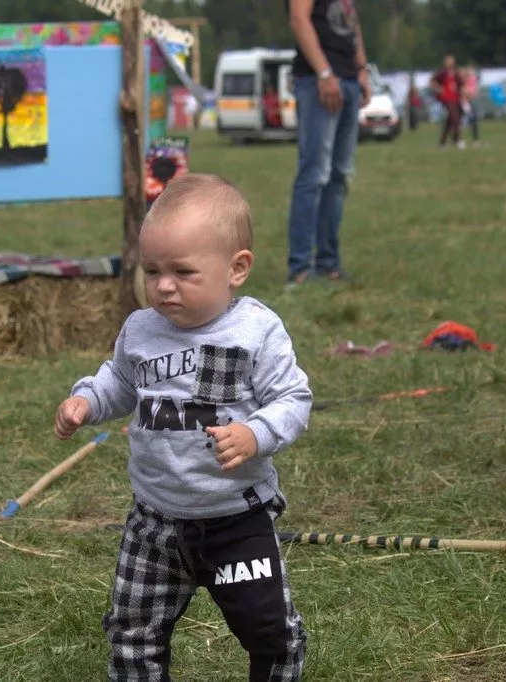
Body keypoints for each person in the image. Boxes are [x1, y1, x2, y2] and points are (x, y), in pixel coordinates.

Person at [55, 173, 312, 679]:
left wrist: (256, 433)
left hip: (237, 519)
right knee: (133, 632)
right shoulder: (141, 328)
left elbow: (293, 399)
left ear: (236, 268)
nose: (163, 286)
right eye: (152, 271)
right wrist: (86, 400)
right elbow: (120, 381)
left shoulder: (255, 331)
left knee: (270, 632)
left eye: (182, 272)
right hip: (154, 519)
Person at [285, 0, 371, 287]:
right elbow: (298, 19)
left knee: (339, 175)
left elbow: (351, 19)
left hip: (348, 78)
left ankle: (328, 262)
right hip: (317, 80)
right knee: (314, 174)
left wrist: (362, 68)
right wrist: (324, 73)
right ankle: (300, 267)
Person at [430, 55, 465, 148]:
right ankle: (457, 139)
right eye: (448, 61)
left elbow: (461, 84)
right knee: (455, 118)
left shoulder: (455, 73)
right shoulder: (442, 73)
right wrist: (439, 88)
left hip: (456, 98)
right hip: (446, 98)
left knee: (452, 119)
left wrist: (463, 93)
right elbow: (433, 81)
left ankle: (443, 141)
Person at [459, 63, 481, 147]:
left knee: (473, 120)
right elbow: (463, 92)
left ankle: (475, 140)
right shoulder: (460, 80)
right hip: (460, 102)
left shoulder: (471, 80)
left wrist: (467, 93)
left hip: (467, 102)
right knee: (458, 123)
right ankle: (459, 140)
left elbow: (472, 93)